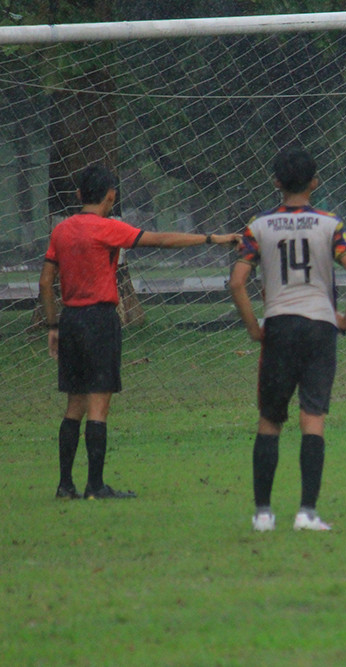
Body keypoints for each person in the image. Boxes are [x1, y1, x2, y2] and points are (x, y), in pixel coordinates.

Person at [39, 164, 239, 500]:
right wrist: (212, 238)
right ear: (111, 195)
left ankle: (64, 484)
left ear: (77, 195)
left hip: (70, 319)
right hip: (100, 319)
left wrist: (53, 325)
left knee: (74, 404)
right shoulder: (109, 228)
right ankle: (95, 486)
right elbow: (160, 239)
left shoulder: (61, 231)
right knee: (99, 405)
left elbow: (46, 282)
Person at [229, 147, 346, 532]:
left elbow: (237, 281)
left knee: (270, 420)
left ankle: (263, 514)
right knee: (313, 418)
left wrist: (254, 327)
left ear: (276, 182)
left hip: (280, 325)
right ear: (315, 182)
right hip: (320, 326)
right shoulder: (331, 225)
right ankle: (307, 512)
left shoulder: (259, 226)